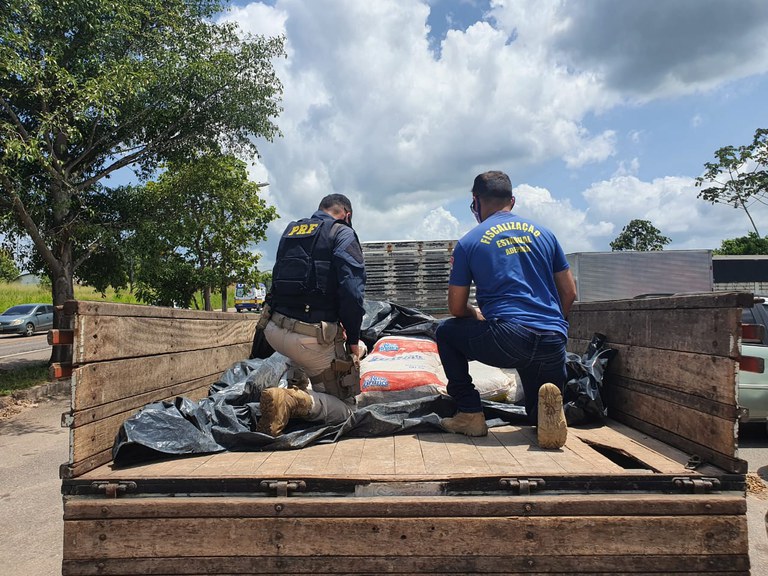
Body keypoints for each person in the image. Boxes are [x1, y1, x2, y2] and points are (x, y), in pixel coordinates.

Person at [435, 170, 577, 448]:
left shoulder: (469, 242)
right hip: (553, 339)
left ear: (476, 202)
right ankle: (544, 415)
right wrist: (550, 326)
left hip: (509, 336)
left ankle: (470, 413)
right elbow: (569, 292)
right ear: (512, 200)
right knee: (537, 392)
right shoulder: (546, 235)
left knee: (446, 332)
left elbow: (455, 307)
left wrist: (475, 313)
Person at [256, 193, 367, 436]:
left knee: (303, 351)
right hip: (309, 340)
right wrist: (354, 341)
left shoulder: (291, 231)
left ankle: (297, 382)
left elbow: (277, 280)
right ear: (347, 215)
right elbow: (351, 293)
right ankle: (293, 400)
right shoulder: (342, 232)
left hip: (275, 331)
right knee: (347, 410)